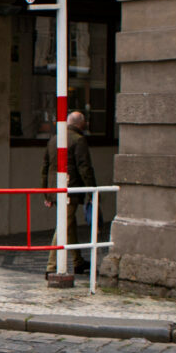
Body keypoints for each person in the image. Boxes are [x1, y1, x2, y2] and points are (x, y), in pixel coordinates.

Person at [42, 111, 98, 273]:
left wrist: (46, 193)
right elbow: (84, 168)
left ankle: (77, 261)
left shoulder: (54, 139)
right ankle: (51, 266)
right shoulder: (79, 140)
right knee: (63, 225)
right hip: (70, 189)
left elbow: (45, 167)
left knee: (69, 224)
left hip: (55, 189)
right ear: (81, 123)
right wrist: (91, 189)